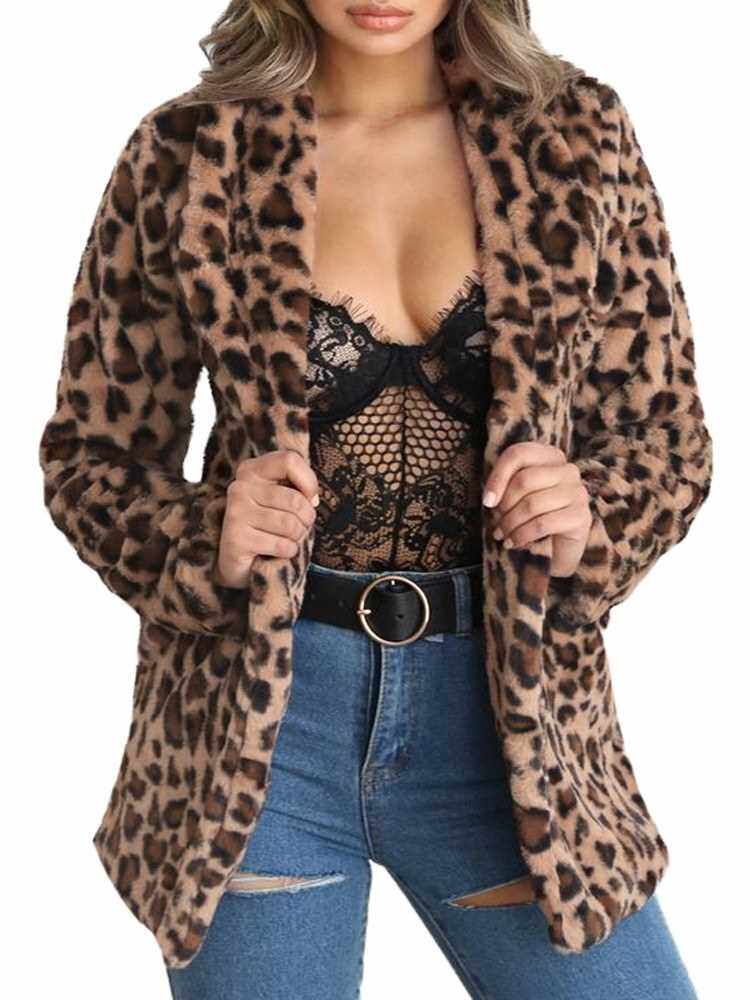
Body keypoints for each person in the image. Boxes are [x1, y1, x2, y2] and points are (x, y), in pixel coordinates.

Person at [38, 2, 712, 997]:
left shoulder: (576, 137)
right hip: (261, 736)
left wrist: (591, 514)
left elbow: (667, 438)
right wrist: (201, 534)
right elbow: (91, 454)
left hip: (511, 729)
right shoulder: (188, 152)